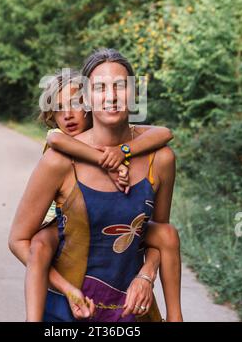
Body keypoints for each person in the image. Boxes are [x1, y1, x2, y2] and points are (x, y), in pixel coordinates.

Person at [9, 49, 182, 322]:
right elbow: (19, 240)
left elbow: (158, 237)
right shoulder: (59, 160)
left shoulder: (159, 159)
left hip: (129, 313)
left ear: (134, 93)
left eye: (120, 86)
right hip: (66, 312)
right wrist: (66, 289)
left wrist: (146, 276)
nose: (112, 96)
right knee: (43, 241)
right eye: (101, 88)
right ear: (90, 97)